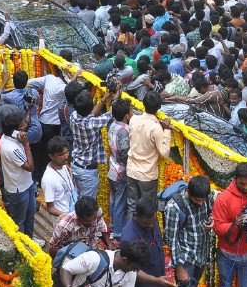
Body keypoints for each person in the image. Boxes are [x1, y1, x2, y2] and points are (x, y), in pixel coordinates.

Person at [164, 175, 214, 287]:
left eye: (202, 200)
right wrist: (179, 268)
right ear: (188, 192)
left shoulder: (208, 198)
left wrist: (212, 221)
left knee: (194, 286)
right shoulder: (174, 207)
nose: (200, 203)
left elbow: (212, 211)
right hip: (185, 257)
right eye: (196, 200)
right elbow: (171, 239)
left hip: (201, 253)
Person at [126, 92, 172, 218]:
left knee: (132, 206)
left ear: (143, 104)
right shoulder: (156, 127)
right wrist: (167, 130)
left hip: (131, 171)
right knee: (147, 210)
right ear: (158, 108)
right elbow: (164, 153)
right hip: (147, 175)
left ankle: (131, 235)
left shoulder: (133, 119)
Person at [67, 88, 114, 200]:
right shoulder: (91, 123)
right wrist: (115, 96)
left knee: (78, 200)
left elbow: (92, 113)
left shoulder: (73, 116)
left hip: (76, 164)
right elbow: (110, 114)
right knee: (87, 207)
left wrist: (104, 98)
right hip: (87, 172)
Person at [0, 111, 36, 236]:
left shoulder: (10, 137)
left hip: (27, 184)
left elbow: (27, 122)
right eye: (21, 126)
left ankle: (30, 240)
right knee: (19, 221)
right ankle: (22, 248)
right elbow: (30, 167)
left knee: (30, 216)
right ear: (14, 131)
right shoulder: (11, 148)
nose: (25, 126)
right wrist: (26, 145)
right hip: (19, 190)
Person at [106, 98, 131, 241]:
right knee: (120, 204)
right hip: (120, 172)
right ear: (127, 115)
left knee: (114, 200)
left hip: (112, 167)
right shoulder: (124, 131)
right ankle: (118, 233)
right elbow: (123, 153)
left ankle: (113, 227)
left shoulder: (112, 125)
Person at [41, 137, 76, 216]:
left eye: (67, 152)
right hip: (63, 220)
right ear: (51, 156)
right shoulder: (48, 179)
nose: (66, 156)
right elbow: (50, 208)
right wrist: (67, 217)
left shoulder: (64, 166)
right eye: (61, 154)